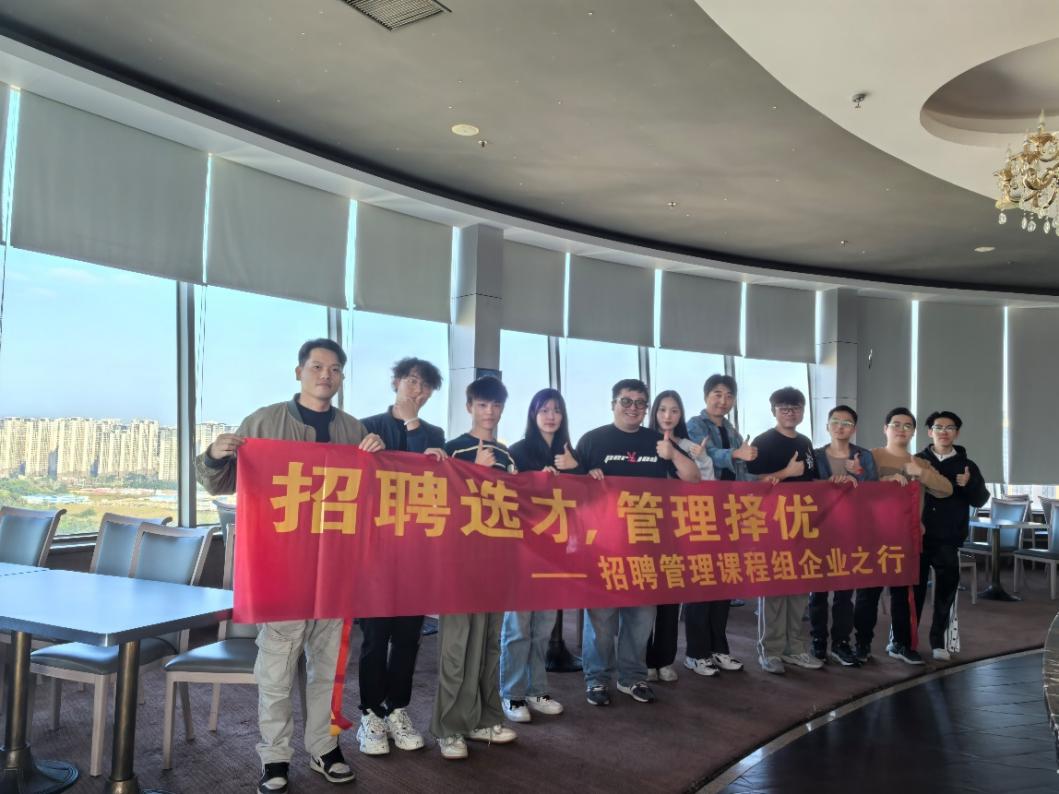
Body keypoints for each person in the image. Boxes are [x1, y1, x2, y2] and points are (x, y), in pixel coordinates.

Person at [196, 338, 384, 794]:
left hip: (335, 571)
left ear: (341, 378)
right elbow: (220, 483)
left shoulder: (354, 430)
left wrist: (378, 459)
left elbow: (375, 497)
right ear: (299, 372)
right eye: (317, 367)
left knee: (327, 667)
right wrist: (215, 454)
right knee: (277, 670)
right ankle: (275, 756)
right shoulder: (263, 422)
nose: (325, 376)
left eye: (334, 369)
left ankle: (324, 747)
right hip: (282, 569)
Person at [575, 379, 701, 706]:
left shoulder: (657, 441)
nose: (633, 408)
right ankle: (597, 679)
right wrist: (587, 480)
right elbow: (570, 492)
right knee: (601, 622)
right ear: (613, 404)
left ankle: (632, 677)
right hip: (603, 548)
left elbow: (693, 478)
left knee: (641, 618)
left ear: (646, 408)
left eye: (640, 403)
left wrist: (672, 454)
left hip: (647, 546)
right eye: (626, 401)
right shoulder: (592, 440)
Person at [355, 358, 447, 756]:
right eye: (412, 382)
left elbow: (428, 483)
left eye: (426, 387)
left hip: (415, 554)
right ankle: (370, 713)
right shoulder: (366, 427)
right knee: (376, 637)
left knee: (409, 637)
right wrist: (364, 453)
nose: (418, 392)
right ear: (395, 382)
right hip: (375, 552)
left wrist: (413, 426)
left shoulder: (434, 434)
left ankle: (397, 708)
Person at [432, 375, 518, 760]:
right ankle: (450, 728)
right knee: (457, 647)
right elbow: (442, 506)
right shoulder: (452, 451)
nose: (490, 412)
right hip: (458, 564)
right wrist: (474, 472)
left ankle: (484, 718)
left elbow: (517, 507)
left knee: (489, 644)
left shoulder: (508, 456)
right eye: (482, 404)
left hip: (496, 562)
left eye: (496, 405)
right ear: (469, 407)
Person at [500, 388, 579, 723]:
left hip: (555, 553)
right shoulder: (518, 451)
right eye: (543, 409)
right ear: (533, 414)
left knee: (543, 627)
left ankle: (537, 689)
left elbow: (586, 500)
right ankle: (512, 694)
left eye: (556, 410)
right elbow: (506, 498)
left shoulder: (569, 453)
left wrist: (577, 469)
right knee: (518, 627)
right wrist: (536, 482)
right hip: (522, 551)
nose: (550, 416)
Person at [746, 386, 824, 675]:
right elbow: (750, 484)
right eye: (784, 408)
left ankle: (795, 648)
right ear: (774, 411)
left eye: (796, 408)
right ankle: (771, 651)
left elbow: (811, 482)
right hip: (772, 526)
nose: (790, 413)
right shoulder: (763, 442)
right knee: (775, 591)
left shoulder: (805, 441)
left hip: (802, 525)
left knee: (799, 590)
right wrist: (786, 474)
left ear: (803, 411)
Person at [685, 374, 757, 674]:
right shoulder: (694, 425)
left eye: (729, 396)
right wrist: (735, 453)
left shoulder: (732, 430)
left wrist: (768, 478)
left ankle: (719, 649)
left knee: (724, 581)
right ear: (706, 396)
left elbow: (743, 473)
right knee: (702, 583)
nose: (723, 400)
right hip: (702, 514)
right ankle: (696, 652)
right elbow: (706, 455)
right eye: (717, 394)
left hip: (730, 514)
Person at [870, 407, 953, 666]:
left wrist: (920, 473)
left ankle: (902, 644)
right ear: (885, 428)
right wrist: (884, 481)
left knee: (904, 595)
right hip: (873, 537)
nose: (901, 429)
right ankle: (861, 646)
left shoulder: (920, 463)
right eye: (896, 424)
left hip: (907, 539)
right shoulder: (871, 456)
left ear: (914, 432)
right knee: (868, 594)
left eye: (907, 426)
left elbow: (946, 489)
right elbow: (856, 490)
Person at [646, 390, 715, 682]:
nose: (667, 416)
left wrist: (697, 459)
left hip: (679, 530)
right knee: (645, 600)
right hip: (646, 528)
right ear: (654, 412)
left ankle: (664, 659)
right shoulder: (642, 441)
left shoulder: (689, 446)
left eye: (674, 410)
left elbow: (705, 484)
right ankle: (642, 660)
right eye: (662, 409)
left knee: (670, 599)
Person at [915, 410, 988, 661]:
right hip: (917, 537)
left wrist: (969, 484)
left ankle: (939, 641)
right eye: (938, 427)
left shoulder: (967, 465)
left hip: (948, 539)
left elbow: (980, 500)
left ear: (957, 433)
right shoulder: (917, 461)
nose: (943, 432)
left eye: (950, 428)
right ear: (929, 432)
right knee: (912, 593)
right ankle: (906, 641)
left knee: (946, 594)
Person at [808, 405, 877, 667]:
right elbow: (804, 489)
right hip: (819, 530)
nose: (840, 426)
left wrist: (858, 474)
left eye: (846, 423)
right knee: (818, 591)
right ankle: (818, 641)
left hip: (851, 531)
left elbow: (875, 492)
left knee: (845, 592)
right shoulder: (814, 455)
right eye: (835, 421)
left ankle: (841, 642)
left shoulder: (864, 456)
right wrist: (828, 483)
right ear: (827, 426)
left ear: (854, 429)